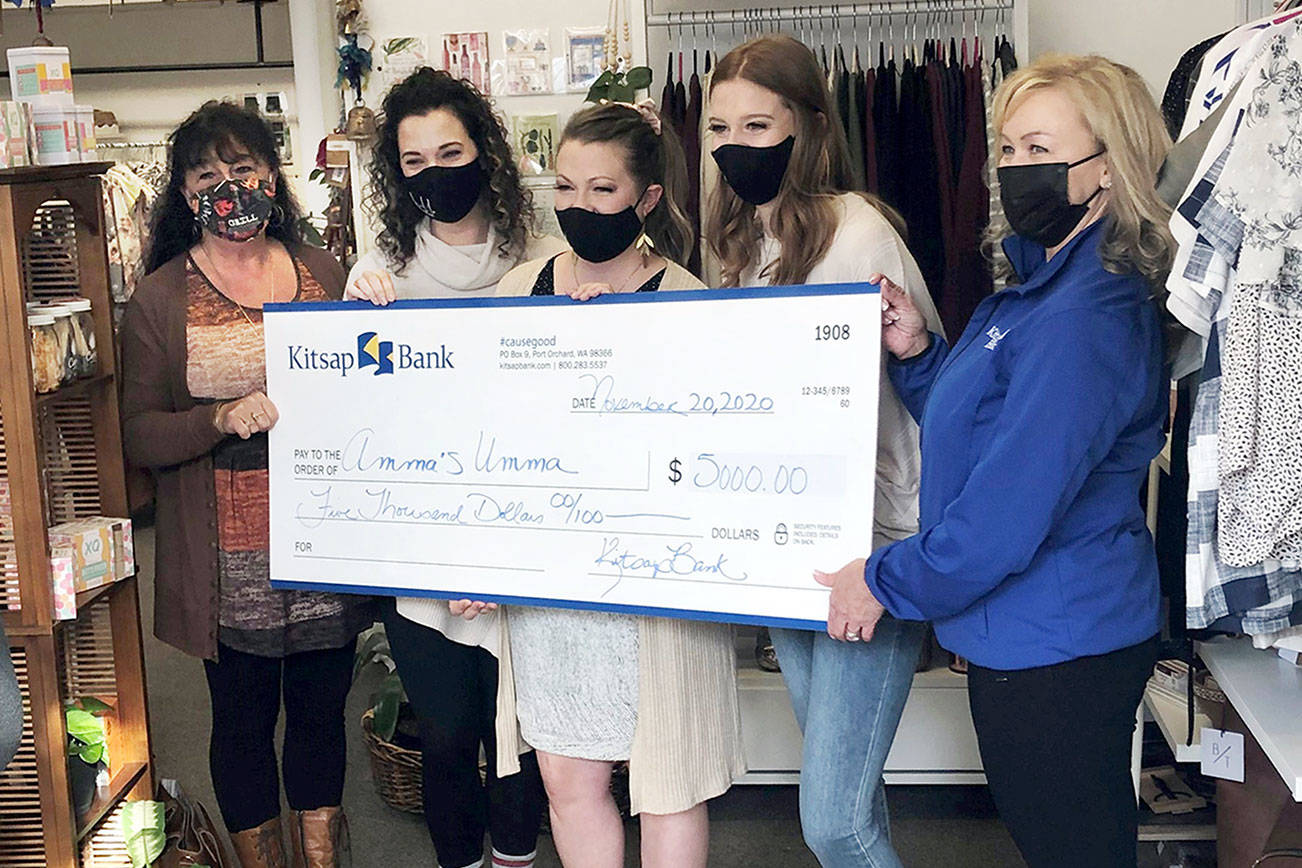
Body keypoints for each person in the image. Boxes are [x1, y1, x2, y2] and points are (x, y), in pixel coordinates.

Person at [817, 54, 1172, 868]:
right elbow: (985, 427)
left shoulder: (1087, 313)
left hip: (1059, 642)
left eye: (1038, 149)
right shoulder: (1039, 287)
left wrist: (881, 581)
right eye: (1008, 149)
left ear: (1108, 170)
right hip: (1031, 635)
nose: (1014, 169)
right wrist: (916, 353)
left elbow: (1005, 515)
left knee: (1074, 847)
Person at [485, 100, 746, 868]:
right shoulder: (516, 291)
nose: (579, 207)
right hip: (553, 588)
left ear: (647, 201)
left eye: (603, 192)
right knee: (567, 777)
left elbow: (717, 448)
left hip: (659, 586)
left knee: (670, 782)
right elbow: (484, 442)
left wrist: (628, 351)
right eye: (565, 188)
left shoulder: (688, 300)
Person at [703, 34, 942, 868]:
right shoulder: (735, 246)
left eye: (759, 126)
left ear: (808, 126)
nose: (738, 146)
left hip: (866, 548)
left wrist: (895, 561)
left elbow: (926, 390)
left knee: (832, 820)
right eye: (721, 128)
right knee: (852, 795)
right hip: (785, 546)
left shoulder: (861, 233)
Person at [121, 101, 374, 868]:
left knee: (321, 714)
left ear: (272, 173)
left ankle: (321, 857)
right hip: (226, 565)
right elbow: (139, 434)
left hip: (323, 542)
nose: (229, 188)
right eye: (207, 175)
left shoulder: (322, 272)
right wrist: (218, 418)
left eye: (243, 169)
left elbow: (367, 389)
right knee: (240, 722)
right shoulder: (162, 296)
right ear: (183, 191)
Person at [346, 67, 565, 868]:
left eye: (451, 150)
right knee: (446, 734)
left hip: (524, 536)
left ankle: (513, 857)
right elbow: (354, 415)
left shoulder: (545, 258)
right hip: (423, 545)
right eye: (413, 161)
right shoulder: (381, 274)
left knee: (521, 729)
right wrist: (351, 321)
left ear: (484, 152)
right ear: (396, 175)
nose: (435, 171)